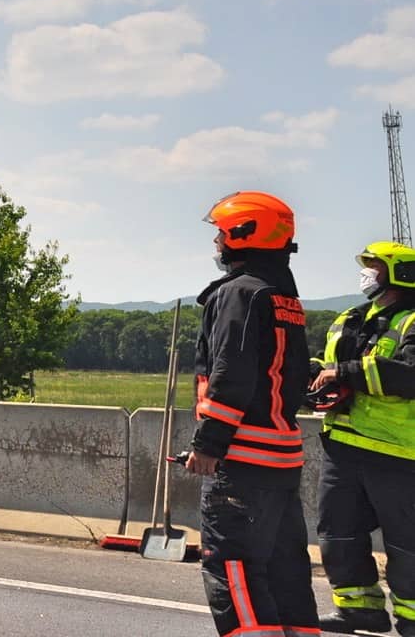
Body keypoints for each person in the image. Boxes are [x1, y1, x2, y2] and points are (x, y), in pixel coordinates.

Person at [181, 191, 319, 637]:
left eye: (223, 232)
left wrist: (208, 444)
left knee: (232, 567)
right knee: (285, 571)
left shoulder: (239, 294)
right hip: (282, 458)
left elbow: (231, 373)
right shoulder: (284, 298)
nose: (217, 242)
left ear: (245, 234)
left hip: (242, 459)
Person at [310, 240, 415, 635]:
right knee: (338, 532)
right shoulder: (352, 317)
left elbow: (410, 374)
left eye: (373, 265)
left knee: (407, 544)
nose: (366, 271)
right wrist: (315, 376)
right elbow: (331, 364)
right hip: (343, 445)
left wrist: (346, 373)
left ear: (398, 273)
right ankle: (359, 610)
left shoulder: (413, 320)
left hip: (399, 452)